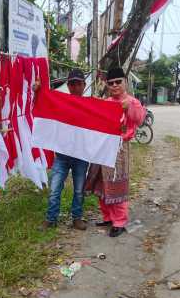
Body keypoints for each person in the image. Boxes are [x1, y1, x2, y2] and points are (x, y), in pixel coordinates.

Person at [85, 67, 145, 238]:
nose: (115, 85)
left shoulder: (133, 102)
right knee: (101, 184)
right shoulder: (106, 102)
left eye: (118, 82)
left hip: (120, 148)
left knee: (117, 184)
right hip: (102, 148)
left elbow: (140, 120)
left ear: (125, 82)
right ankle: (108, 217)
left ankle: (119, 221)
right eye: (111, 83)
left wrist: (127, 109)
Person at [42, 69, 89, 230]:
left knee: (78, 191)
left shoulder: (91, 106)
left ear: (84, 85)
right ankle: (51, 219)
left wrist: (121, 109)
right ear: (68, 86)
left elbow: (106, 117)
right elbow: (43, 105)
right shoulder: (60, 102)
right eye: (72, 84)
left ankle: (76, 218)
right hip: (61, 155)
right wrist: (37, 92)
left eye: (78, 83)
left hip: (81, 156)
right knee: (54, 189)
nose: (75, 87)